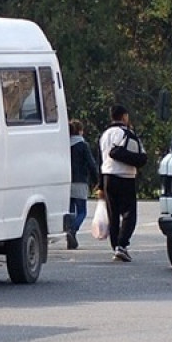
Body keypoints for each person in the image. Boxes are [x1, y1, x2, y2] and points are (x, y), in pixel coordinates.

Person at [98, 104, 145, 262]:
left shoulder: (105, 135)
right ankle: (122, 245)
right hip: (125, 177)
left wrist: (100, 185)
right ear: (124, 116)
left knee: (113, 215)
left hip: (107, 177)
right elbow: (140, 156)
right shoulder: (126, 133)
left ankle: (116, 247)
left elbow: (102, 159)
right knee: (129, 213)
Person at [67, 119, 99, 250]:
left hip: (66, 181)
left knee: (70, 211)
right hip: (80, 181)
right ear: (80, 131)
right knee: (82, 211)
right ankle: (73, 230)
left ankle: (69, 231)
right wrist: (97, 180)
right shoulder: (83, 145)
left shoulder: (64, 145)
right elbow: (91, 164)